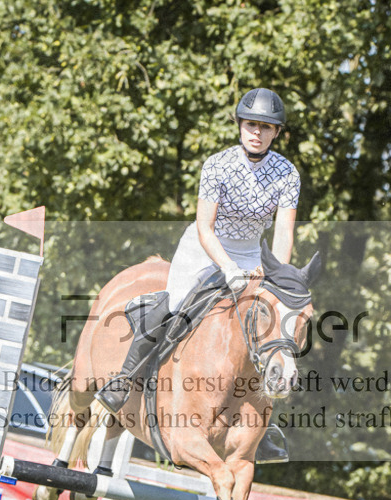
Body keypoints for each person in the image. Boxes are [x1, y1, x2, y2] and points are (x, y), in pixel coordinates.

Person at [96, 87, 300, 414]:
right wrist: (227, 268)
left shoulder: (287, 174)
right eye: (251, 125)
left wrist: (277, 276)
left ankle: (262, 418)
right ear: (240, 125)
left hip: (251, 253)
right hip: (204, 247)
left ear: (275, 132)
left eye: (265, 127)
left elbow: (284, 231)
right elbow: (205, 227)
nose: (256, 133)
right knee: (176, 303)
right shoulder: (217, 165)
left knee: (264, 324)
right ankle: (124, 379)